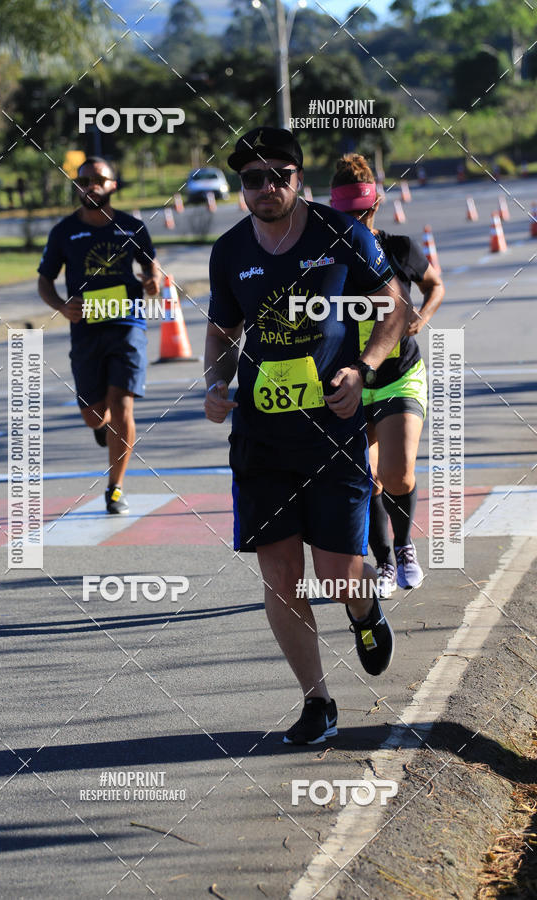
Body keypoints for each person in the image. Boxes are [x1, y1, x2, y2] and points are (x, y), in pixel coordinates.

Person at [205, 127, 407, 745]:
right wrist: (213, 384)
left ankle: (365, 610)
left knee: (342, 572)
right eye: (252, 179)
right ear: (241, 189)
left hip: (332, 429)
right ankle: (317, 700)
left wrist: (364, 366)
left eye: (278, 176)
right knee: (280, 575)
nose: (265, 188)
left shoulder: (344, 235)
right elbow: (221, 329)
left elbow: (393, 307)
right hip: (261, 435)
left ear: (299, 180)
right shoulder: (229, 249)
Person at [330, 153, 444, 597]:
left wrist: (422, 317)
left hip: (399, 375)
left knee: (396, 475)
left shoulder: (400, 249)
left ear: (374, 207)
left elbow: (435, 285)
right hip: (350, 382)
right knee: (364, 477)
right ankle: (384, 562)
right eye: (347, 215)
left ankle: (405, 547)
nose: (356, 220)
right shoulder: (327, 262)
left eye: (363, 213)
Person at [38, 156, 161, 514]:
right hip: (86, 331)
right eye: (83, 180)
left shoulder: (131, 226)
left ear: (112, 186)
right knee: (94, 415)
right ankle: (101, 426)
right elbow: (44, 280)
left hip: (127, 325)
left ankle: (115, 487)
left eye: (98, 179)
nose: (90, 185)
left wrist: (152, 281)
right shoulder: (63, 232)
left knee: (123, 406)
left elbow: (150, 263)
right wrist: (61, 306)